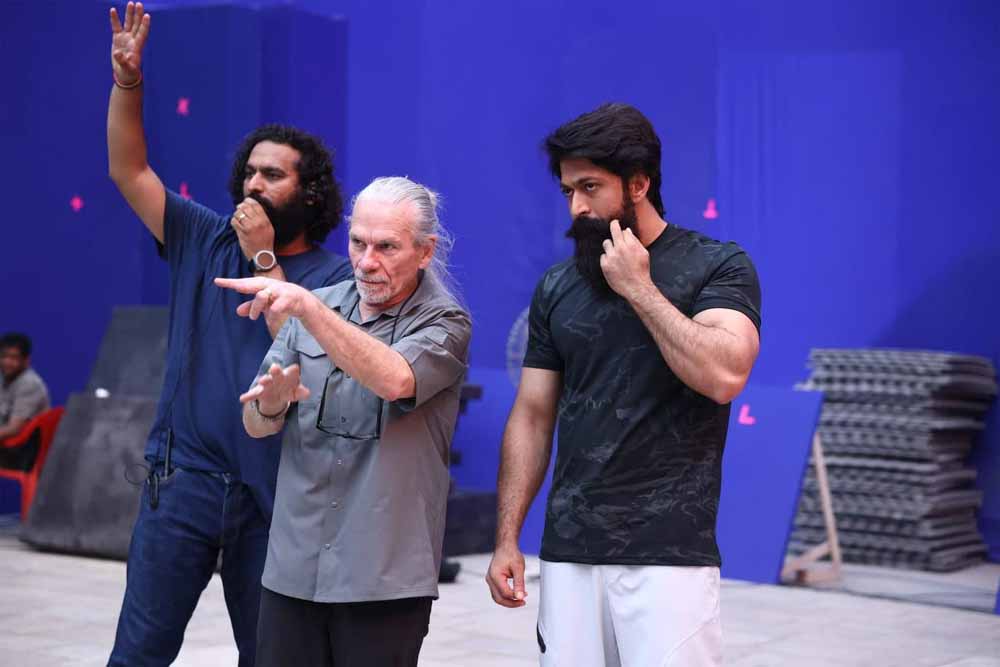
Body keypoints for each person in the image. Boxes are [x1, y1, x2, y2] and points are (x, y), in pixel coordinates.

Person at [106, 4, 353, 666]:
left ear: (310, 192)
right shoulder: (204, 236)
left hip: (273, 497)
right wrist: (128, 82)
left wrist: (265, 257)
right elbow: (130, 172)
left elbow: (305, 355)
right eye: (249, 171)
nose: (254, 182)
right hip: (182, 480)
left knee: (271, 656)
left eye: (273, 174)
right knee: (139, 652)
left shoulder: (334, 277)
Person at [485, 103, 762, 666]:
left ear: (639, 184)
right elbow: (532, 415)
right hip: (568, 551)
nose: (577, 208)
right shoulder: (557, 285)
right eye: (568, 191)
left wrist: (639, 288)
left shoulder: (717, 265)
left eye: (590, 187)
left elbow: (725, 376)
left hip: (668, 554)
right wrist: (507, 537)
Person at [215, 176, 471, 667]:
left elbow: (395, 378)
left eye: (386, 247)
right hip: (293, 567)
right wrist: (270, 404)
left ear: (425, 251)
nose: (366, 261)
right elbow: (255, 423)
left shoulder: (445, 322)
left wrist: (309, 309)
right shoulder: (317, 305)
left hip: (382, 578)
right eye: (357, 242)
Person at [0, 333, 51, 441]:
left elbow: (14, 429)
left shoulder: (30, 384)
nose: (7, 362)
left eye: (14, 358)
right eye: (4, 356)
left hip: (22, 446)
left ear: (26, 361)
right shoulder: (4, 377)